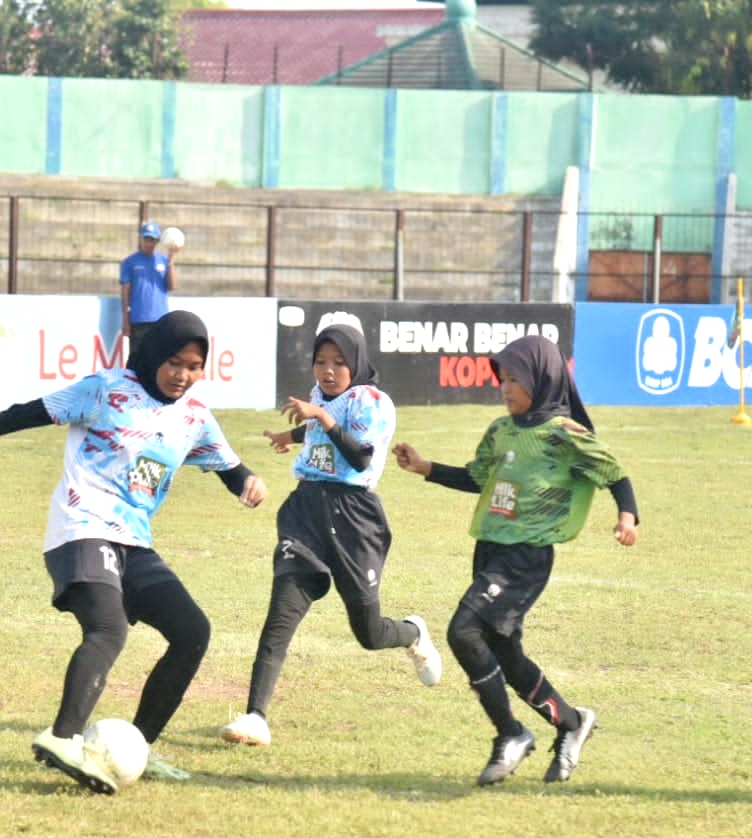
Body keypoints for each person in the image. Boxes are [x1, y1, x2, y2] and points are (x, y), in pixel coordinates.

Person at [0, 310, 268, 794]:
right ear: (155, 354)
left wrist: (247, 482)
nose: (183, 375)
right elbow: (26, 412)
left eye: (194, 366)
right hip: (80, 528)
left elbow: (229, 466)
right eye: (175, 362)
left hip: (133, 541)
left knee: (191, 631)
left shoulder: (195, 417)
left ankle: (139, 747)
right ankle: (62, 738)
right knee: (108, 628)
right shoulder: (105, 390)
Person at [392, 335, 639, 787]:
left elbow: (615, 474)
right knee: (505, 653)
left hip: (527, 557)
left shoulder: (565, 434)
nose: (505, 388)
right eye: (501, 378)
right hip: (489, 548)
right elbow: (477, 477)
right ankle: (570, 721)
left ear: (542, 380)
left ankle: (510, 732)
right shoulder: (500, 431)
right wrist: (426, 467)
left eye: (515, 379)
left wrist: (627, 516)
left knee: (462, 630)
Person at [219, 324, 442, 748]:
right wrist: (293, 434)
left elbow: (359, 457)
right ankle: (255, 716)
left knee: (369, 633)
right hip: (305, 512)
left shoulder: (374, 402)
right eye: (321, 361)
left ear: (356, 362)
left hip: (355, 518)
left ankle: (413, 633)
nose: (328, 370)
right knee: (281, 613)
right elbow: (321, 428)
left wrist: (320, 416)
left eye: (339, 362)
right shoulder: (320, 396)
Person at [120, 221, 178, 359]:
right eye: (146, 239)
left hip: (160, 319)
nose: (149, 243)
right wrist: (125, 319)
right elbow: (125, 291)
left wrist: (171, 261)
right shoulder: (130, 262)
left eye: (152, 240)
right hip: (139, 319)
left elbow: (172, 286)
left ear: (158, 241)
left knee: (157, 359)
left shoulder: (164, 261)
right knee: (136, 358)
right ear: (141, 239)